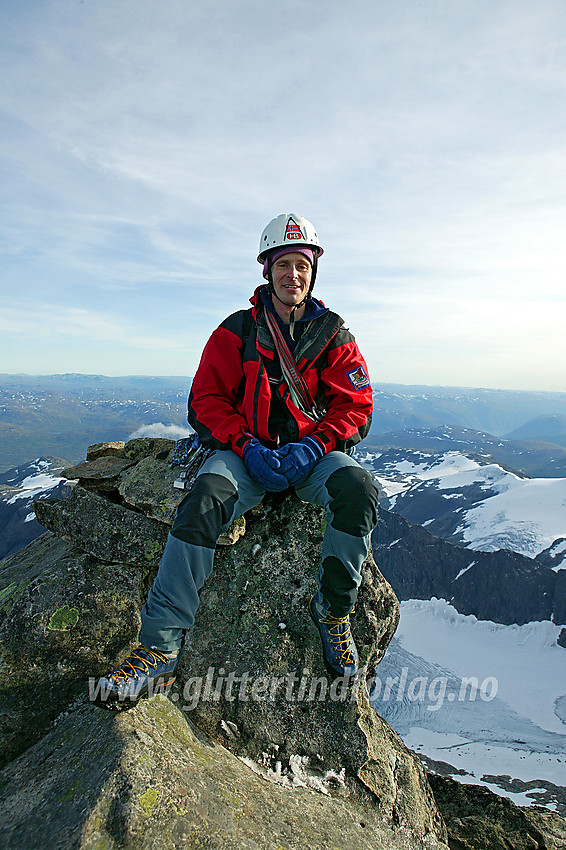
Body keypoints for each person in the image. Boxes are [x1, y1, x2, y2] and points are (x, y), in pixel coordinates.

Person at [95, 213, 379, 708]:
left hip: (311, 458)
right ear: (267, 269)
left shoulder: (335, 335)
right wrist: (244, 445)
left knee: (359, 491)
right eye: (284, 264)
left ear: (313, 271)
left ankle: (334, 612)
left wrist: (315, 446)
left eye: (302, 265)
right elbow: (206, 400)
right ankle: (159, 646)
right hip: (248, 456)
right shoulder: (236, 331)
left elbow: (355, 406)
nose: (294, 275)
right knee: (205, 498)